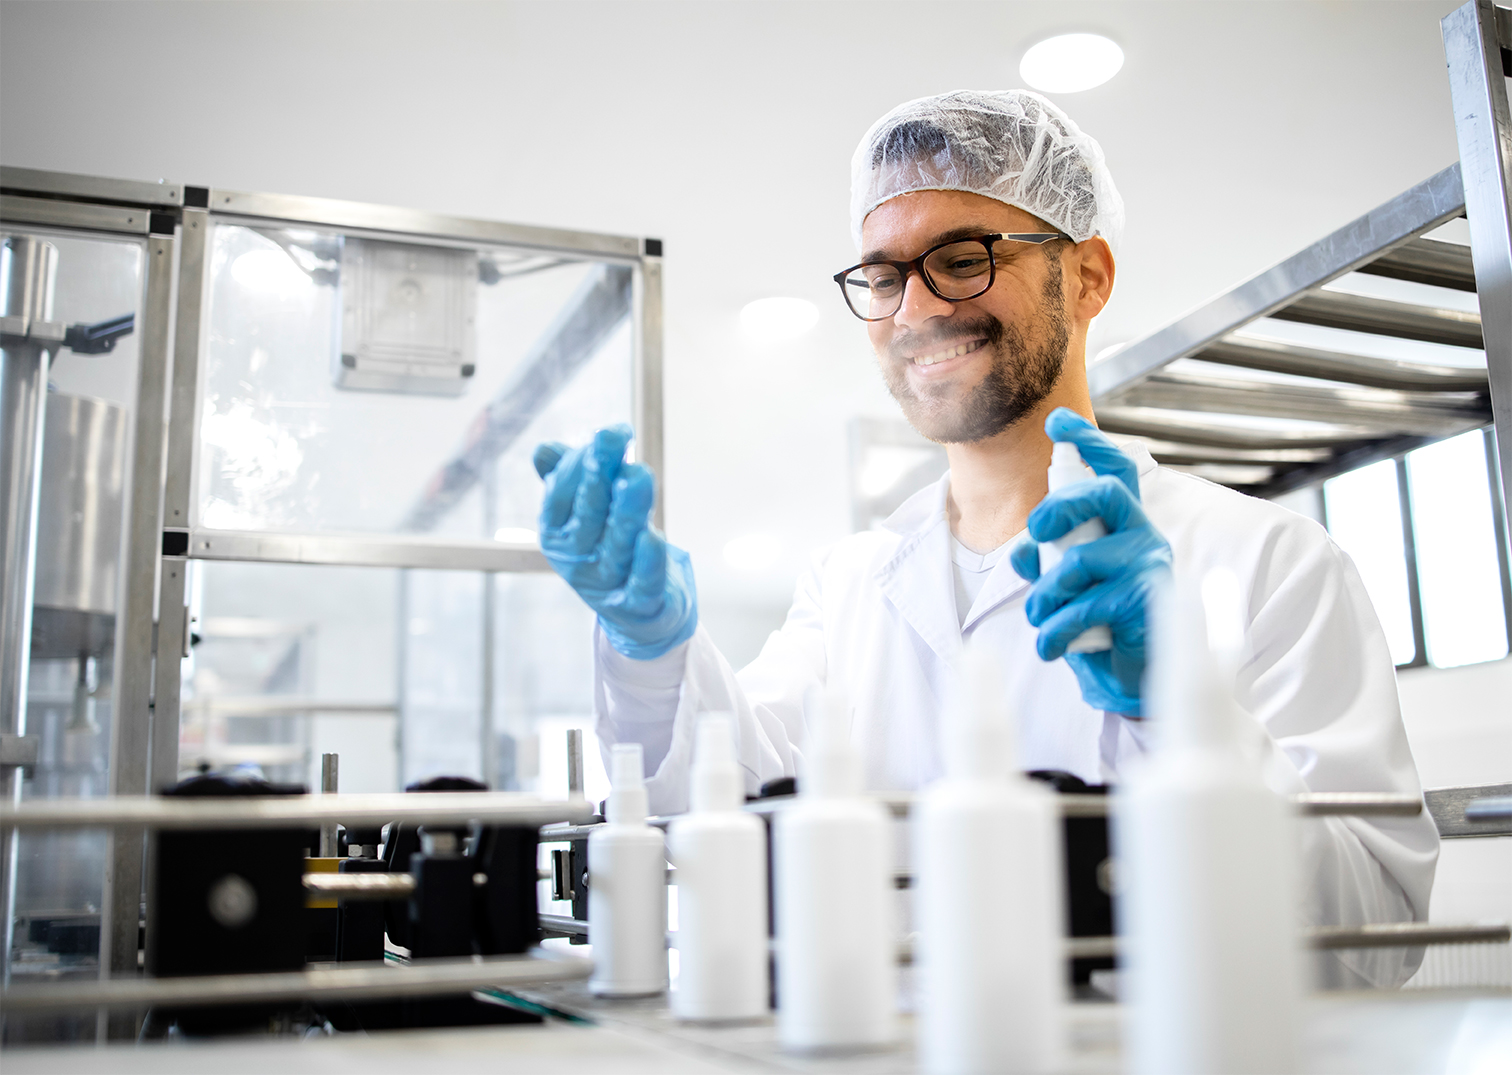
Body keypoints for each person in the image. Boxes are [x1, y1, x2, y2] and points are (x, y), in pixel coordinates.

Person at [532, 90, 1438, 988]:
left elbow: (1373, 937)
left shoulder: (1269, 562)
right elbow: (706, 812)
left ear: (1087, 276)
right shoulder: (849, 584)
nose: (915, 310)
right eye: (883, 277)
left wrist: (1180, 712)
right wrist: (649, 648)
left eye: (963, 258)